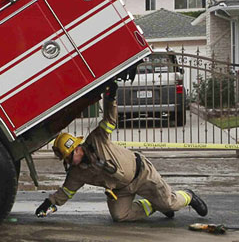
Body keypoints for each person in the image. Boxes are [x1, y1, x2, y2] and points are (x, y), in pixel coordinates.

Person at [36, 81, 208, 222]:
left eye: (69, 156)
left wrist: (111, 99)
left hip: (142, 174)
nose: (68, 162)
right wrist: (49, 203)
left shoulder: (97, 139)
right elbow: (66, 191)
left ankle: (188, 196)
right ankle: (154, 205)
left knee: (170, 204)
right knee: (120, 216)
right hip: (120, 190)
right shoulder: (76, 173)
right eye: (66, 159)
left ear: (77, 148)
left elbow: (109, 119)